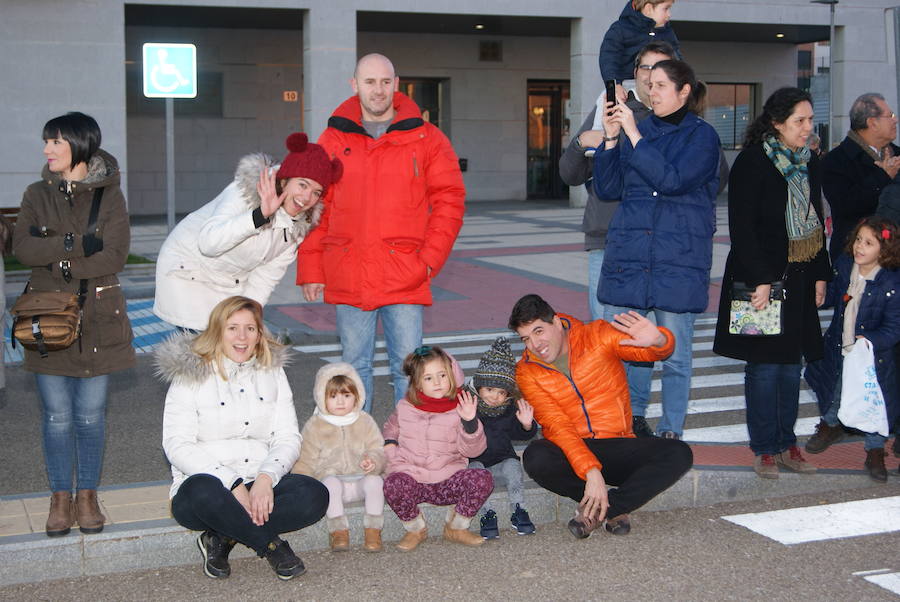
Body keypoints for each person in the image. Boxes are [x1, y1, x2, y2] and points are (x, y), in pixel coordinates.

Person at [297, 53, 466, 413]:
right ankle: (361, 448)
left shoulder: (427, 138)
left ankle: (413, 447)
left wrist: (428, 261)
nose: (378, 90)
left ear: (396, 84)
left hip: (405, 272)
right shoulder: (331, 139)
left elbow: (450, 200)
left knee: (410, 370)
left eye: (386, 82)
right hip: (349, 270)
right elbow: (314, 206)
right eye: (370, 82)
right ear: (354, 85)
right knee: (353, 371)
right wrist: (311, 267)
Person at [13, 112, 135, 537]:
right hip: (47, 320)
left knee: (89, 416)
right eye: (46, 142)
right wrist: (72, 245)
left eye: (55, 143)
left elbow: (115, 255)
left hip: (99, 319)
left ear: (80, 147)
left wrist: (59, 262)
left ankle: (88, 496)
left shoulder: (110, 196)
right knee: (57, 417)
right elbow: (22, 247)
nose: (47, 150)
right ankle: (59, 498)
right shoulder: (35, 193)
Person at [158, 296, 328, 580]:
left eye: (250, 328)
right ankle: (272, 546)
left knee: (315, 495)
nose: (242, 337)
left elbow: (288, 437)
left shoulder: (272, 371)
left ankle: (222, 536)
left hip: (257, 478)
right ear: (217, 332)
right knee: (202, 490)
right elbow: (176, 445)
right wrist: (232, 483)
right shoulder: (191, 374)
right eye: (232, 327)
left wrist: (265, 479)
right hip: (208, 489)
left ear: (259, 334)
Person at [595, 59, 721, 440]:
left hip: (677, 259)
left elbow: (673, 179)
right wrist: (612, 137)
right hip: (633, 256)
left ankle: (671, 431)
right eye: (650, 85)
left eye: (662, 85)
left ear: (684, 91)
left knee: (675, 355)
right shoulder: (638, 129)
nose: (653, 92)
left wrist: (634, 136)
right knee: (632, 351)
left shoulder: (702, 136)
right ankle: (632, 424)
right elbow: (607, 188)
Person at [713, 87, 830, 479]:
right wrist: (760, 279)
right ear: (777, 123)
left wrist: (818, 274)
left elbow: (816, 219)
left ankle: (787, 444)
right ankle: (765, 448)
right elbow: (741, 228)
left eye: (810, 120)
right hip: (759, 276)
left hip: (797, 277)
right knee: (764, 366)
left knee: (790, 366)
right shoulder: (753, 161)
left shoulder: (808, 161)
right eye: (800, 120)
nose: (807, 128)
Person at [510, 294, 693, 539]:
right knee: (536, 456)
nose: (535, 344)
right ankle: (612, 507)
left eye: (539, 331)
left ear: (556, 321)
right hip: (576, 451)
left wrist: (659, 340)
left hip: (617, 444)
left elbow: (649, 351)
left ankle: (605, 508)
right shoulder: (526, 371)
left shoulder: (596, 335)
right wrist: (591, 472)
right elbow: (556, 425)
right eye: (526, 338)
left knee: (679, 452)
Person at [154, 132, 342, 331]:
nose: (306, 197)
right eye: (302, 185)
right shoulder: (246, 192)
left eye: (316, 192)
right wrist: (260, 215)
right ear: (285, 180)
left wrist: (250, 318)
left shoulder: (297, 227)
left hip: (227, 280)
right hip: (189, 269)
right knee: (205, 345)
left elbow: (266, 275)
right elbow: (209, 244)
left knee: (234, 342)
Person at [804, 217, 900, 482]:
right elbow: (834, 295)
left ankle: (875, 449)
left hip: (873, 357)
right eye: (858, 239)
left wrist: (869, 340)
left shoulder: (892, 282)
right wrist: (820, 294)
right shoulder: (846, 266)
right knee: (836, 389)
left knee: (874, 404)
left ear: (884, 250)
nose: (860, 247)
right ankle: (830, 424)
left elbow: (894, 328)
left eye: (868, 243)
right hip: (840, 345)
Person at [381, 345, 493, 551]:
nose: (438, 382)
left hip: (447, 479)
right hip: (412, 477)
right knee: (392, 484)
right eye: (428, 378)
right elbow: (391, 428)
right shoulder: (406, 406)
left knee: (482, 478)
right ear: (417, 383)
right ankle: (415, 529)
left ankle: (456, 527)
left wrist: (470, 422)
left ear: (453, 375)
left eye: (442, 375)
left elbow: (474, 451)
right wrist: (390, 448)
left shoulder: (461, 407)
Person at [292, 362, 386, 552]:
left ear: (357, 396)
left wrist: (373, 461)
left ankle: (373, 530)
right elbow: (306, 460)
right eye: (333, 396)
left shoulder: (364, 421)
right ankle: (338, 532)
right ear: (321, 398)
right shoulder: (315, 425)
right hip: (333, 486)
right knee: (330, 483)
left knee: (375, 482)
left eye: (346, 395)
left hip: (359, 481)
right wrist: (300, 485)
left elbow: (378, 448)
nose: (341, 402)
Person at [463, 337, 537, 539]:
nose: (494, 397)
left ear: (508, 394)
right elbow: (461, 437)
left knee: (514, 468)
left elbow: (519, 434)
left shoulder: (509, 408)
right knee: (474, 471)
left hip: (503, 459)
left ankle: (518, 509)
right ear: (478, 387)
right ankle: (487, 514)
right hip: (477, 462)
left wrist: (527, 425)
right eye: (489, 390)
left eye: (501, 392)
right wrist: (468, 419)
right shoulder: (469, 406)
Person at [822, 93, 899, 261]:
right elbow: (847, 206)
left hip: (895, 256)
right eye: (890, 116)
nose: (896, 120)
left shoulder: (897, 155)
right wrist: (883, 176)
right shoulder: (836, 161)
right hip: (854, 258)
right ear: (872, 122)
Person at [596, 0, 680, 117]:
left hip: (657, 86)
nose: (669, 14)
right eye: (665, 9)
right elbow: (609, 58)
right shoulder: (620, 29)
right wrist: (615, 85)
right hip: (625, 85)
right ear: (649, 8)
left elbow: (677, 61)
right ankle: (601, 128)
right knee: (605, 102)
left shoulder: (667, 33)